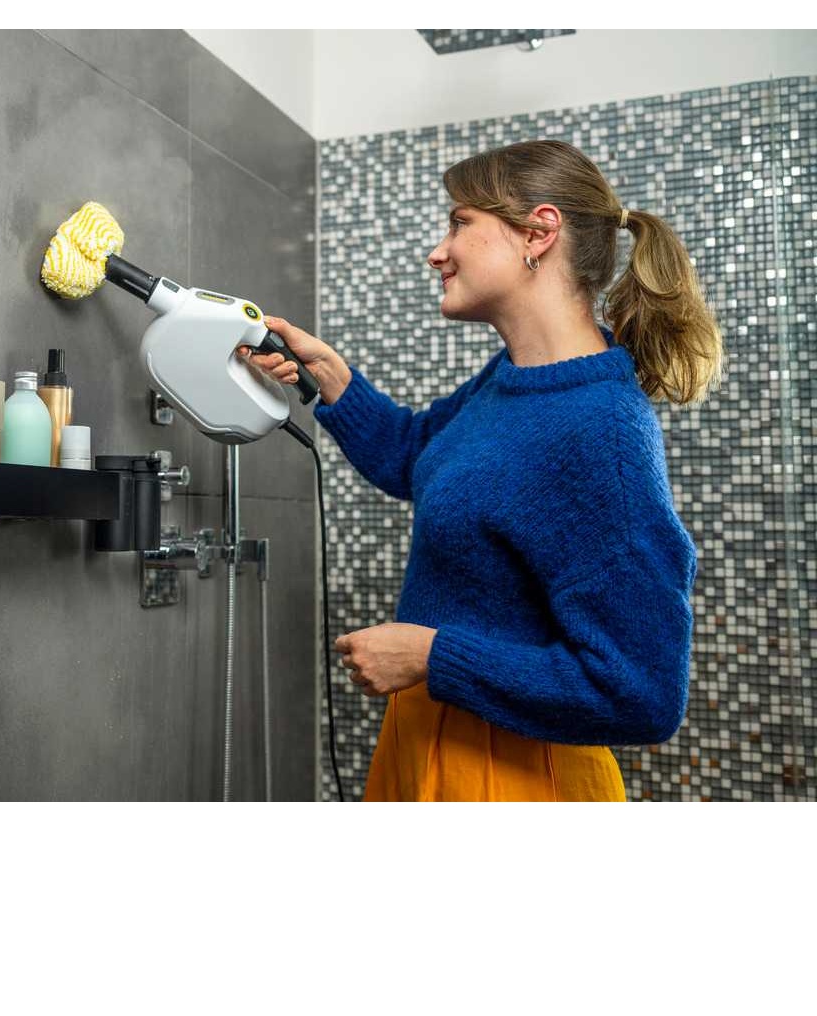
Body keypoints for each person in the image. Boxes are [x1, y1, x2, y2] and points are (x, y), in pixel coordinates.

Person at [241, 139, 723, 802]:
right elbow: (419, 456)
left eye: (459, 223)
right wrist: (331, 376)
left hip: (513, 779)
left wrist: (430, 655)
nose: (438, 252)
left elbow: (641, 693)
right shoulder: (513, 378)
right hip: (425, 747)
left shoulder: (602, 429)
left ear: (538, 233)